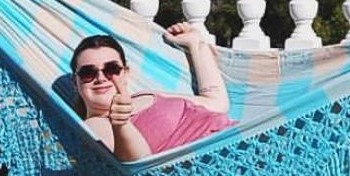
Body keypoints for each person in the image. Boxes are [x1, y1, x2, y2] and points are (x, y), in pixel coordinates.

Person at [71, 23, 231, 161]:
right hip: (218, 168)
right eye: (88, 73)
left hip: (240, 140)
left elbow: (217, 103)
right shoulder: (93, 125)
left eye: (111, 69)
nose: (101, 78)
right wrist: (121, 125)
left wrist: (195, 44)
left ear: (125, 73)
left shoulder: (148, 95)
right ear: (75, 82)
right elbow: (139, 165)